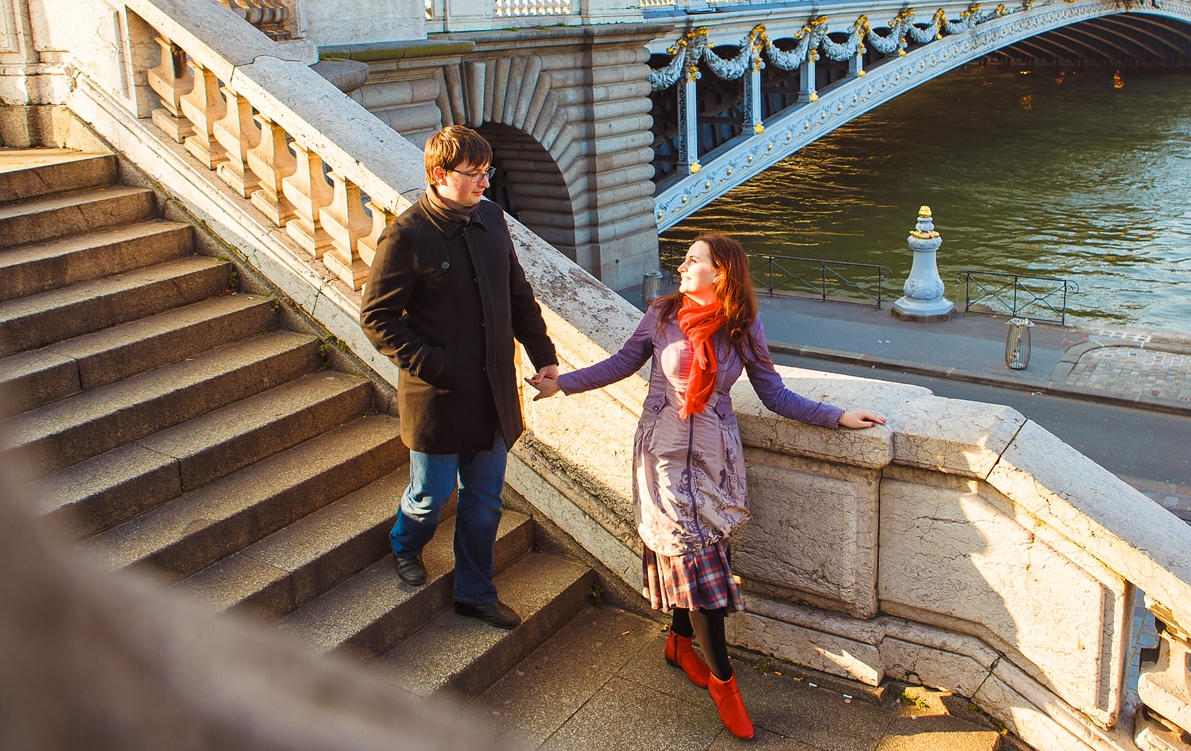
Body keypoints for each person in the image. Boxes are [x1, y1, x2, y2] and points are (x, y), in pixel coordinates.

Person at [532, 234, 886, 740]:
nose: (681, 266)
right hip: (663, 457)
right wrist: (560, 383)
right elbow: (618, 365)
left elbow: (774, 393)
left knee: (693, 558)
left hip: (715, 459)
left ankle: (678, 644)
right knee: (699, 569)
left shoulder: (743, 325)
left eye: (692, 260)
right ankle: (726, 684)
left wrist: (838, 417)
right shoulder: (661, 314)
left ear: (720, 273)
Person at [360, 125, 560, 628]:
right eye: (473, 175)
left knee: (485, 500)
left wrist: (543, 355)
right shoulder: (406, 235)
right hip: (439, 398)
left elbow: (518, 293)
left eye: (486, 173)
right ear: (438, 175)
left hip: (492, 393)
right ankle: (405, 544)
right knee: (431, 495)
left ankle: (475, 591)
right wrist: (437, 366)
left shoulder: (492, 219)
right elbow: (377, 319)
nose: (485, 184)